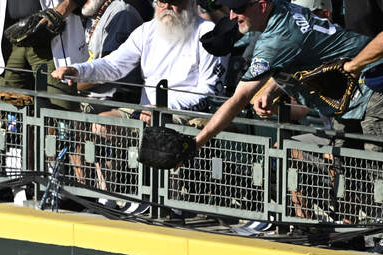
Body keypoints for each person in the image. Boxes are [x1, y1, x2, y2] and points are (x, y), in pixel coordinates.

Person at [182, 0, 383, 162]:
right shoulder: (280, 7)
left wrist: (195, 143)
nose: (233, 16)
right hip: (348, 102)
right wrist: (272, 88)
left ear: (261, 6)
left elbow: (239, 99)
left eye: (239, 9)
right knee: (348, 175)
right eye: (232, 9)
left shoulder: (276, 40)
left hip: (373, 88)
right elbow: (297, 56)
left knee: (377, 176)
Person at [53, 0, 224, 121]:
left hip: (187, 114)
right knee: (102, 124)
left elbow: (209, 92)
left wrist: (162, 105)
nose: (166, 8)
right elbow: (113, 65)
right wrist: (78, 71)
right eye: (161, 2)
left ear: (191, 2)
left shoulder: (209, 33)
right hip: (146, 112)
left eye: (174, 3)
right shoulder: (147, 31)